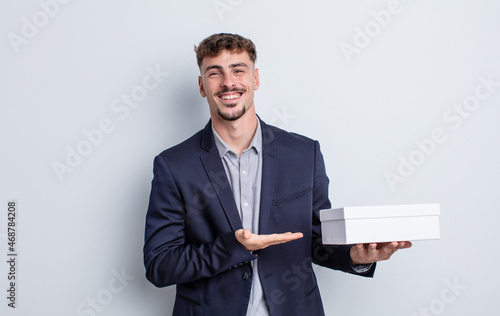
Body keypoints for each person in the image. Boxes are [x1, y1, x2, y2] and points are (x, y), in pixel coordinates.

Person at [143, 33, 411, 316]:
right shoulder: (174, 166)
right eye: (214, 73)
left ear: (255, 79)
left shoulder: (303, 153)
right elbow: (160, 265)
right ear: (201, 86)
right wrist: (234, 246)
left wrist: (356, 257)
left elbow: (318, 239)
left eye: (238, 70)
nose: (228, 82)